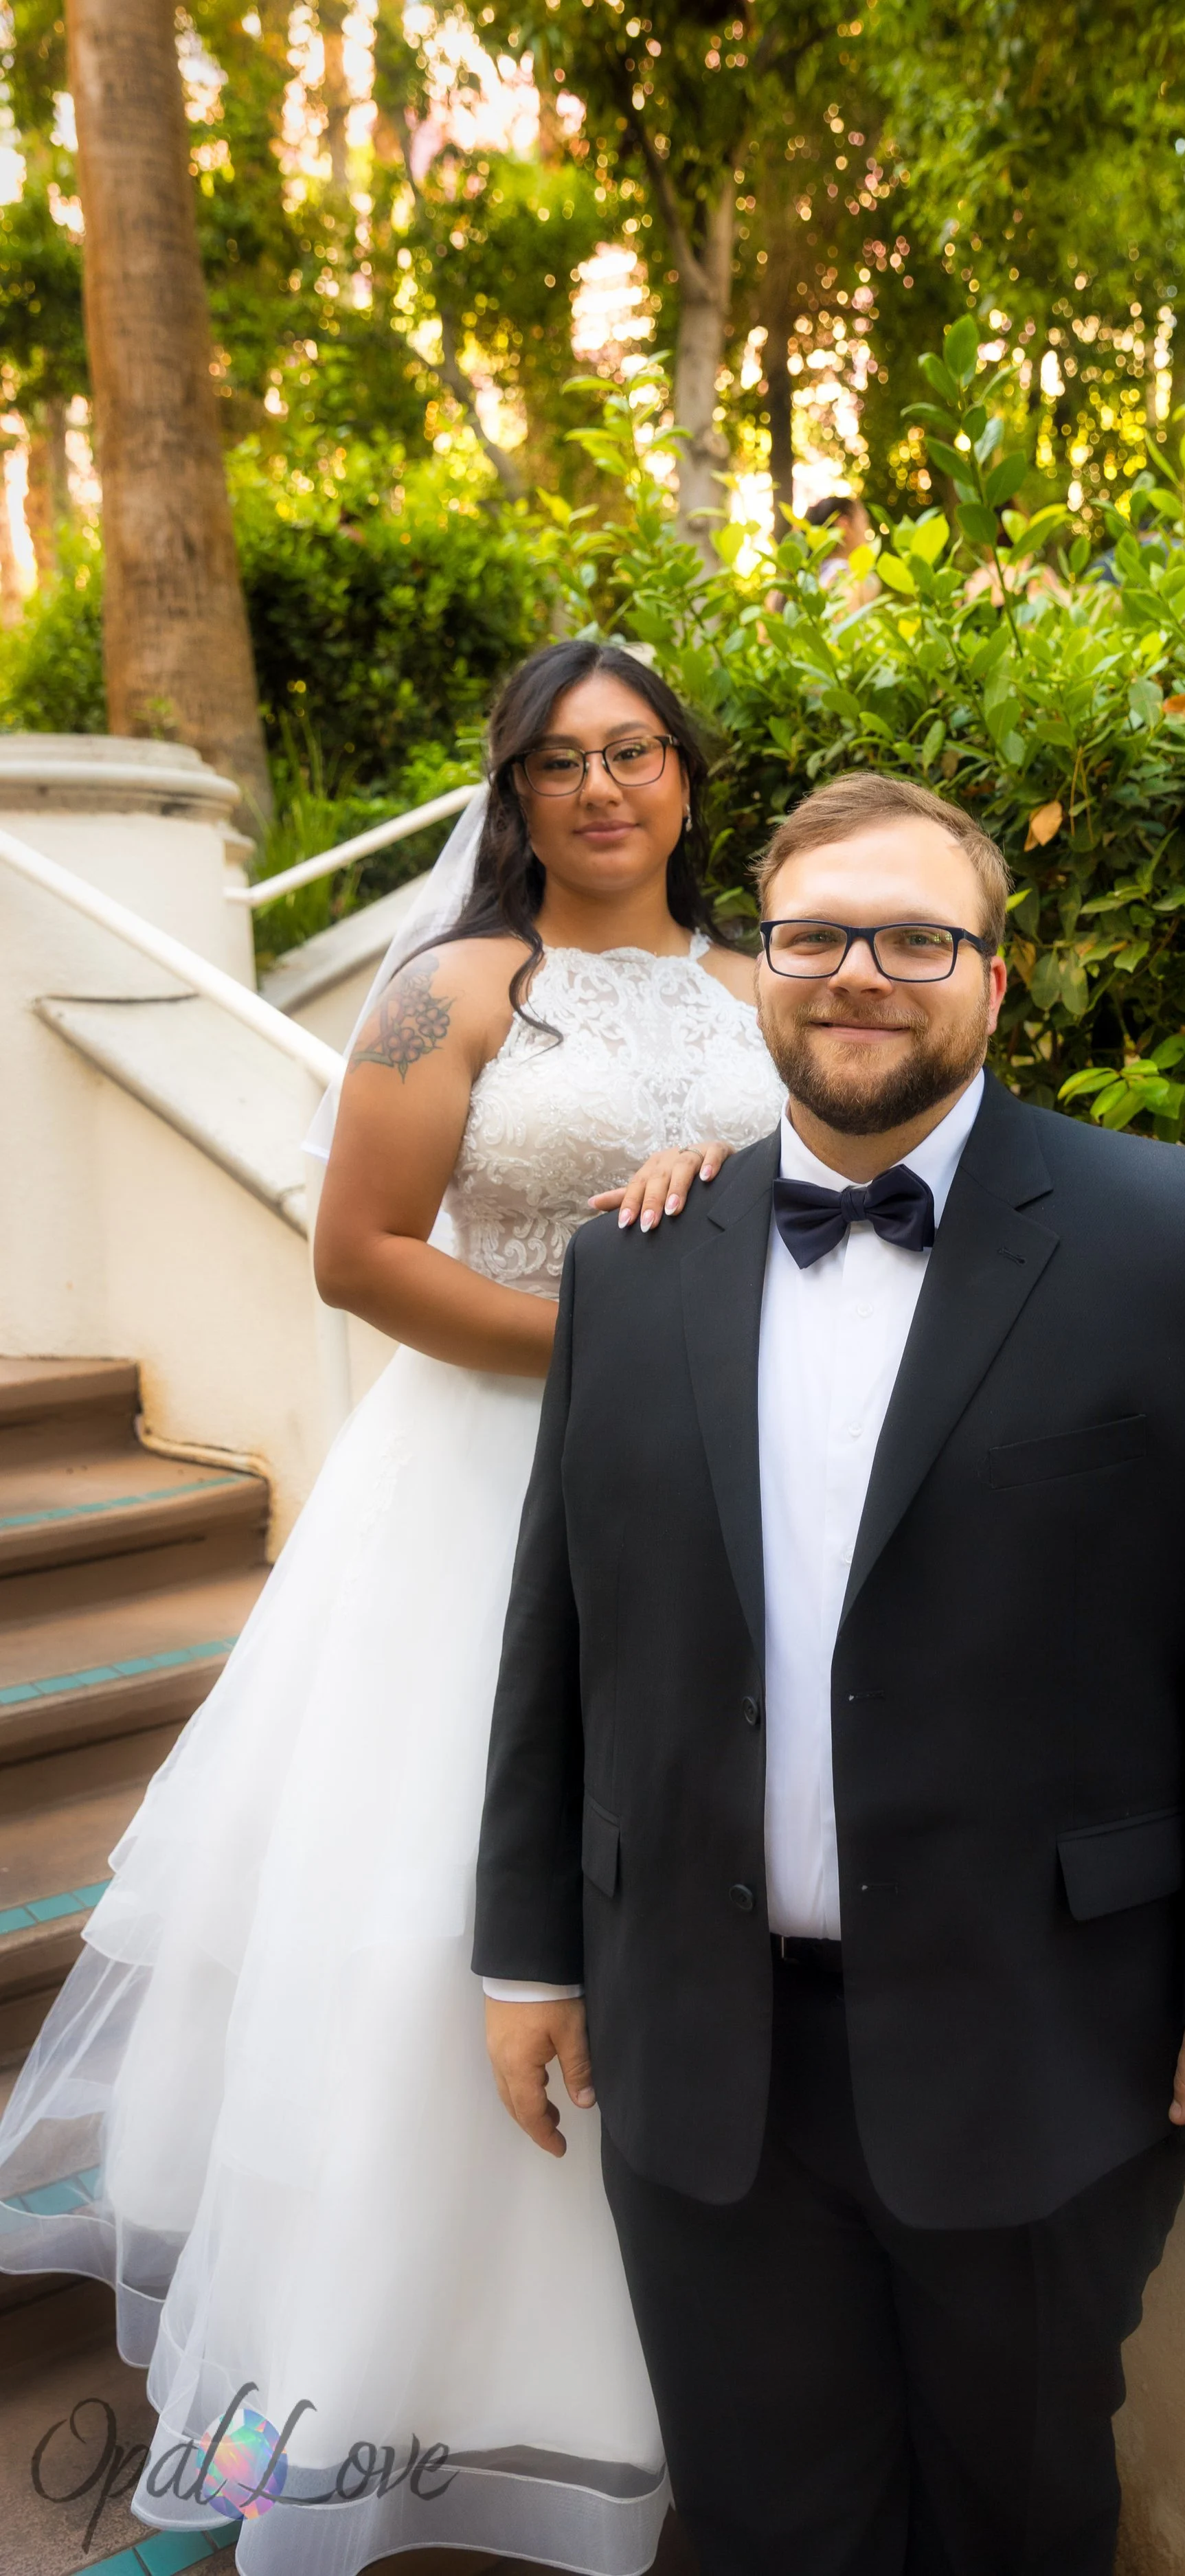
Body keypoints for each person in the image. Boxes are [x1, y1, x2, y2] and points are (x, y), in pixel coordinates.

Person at [476, 769, 1185, 2576]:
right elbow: (560, 1625)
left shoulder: (1181, 1238)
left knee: (1014, 2503)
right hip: (701, 2035)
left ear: (993, 975)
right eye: (811, 934)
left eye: (914, 935)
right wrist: (528, 1947)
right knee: (755, 2511)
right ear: (760, 969)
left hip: (1043, 2035)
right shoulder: (631, 1261)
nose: (857, 971)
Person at [0, 640, 785, 2575]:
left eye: (636, 753)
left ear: (688, 777)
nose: (602, 789)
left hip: (720, 1499)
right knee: (445, 1904)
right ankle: (385, 2373)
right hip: (482, 1493)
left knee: (677, 1889)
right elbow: (359, 1254)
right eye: (559, 762)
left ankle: (664, 2379)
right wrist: (613, 1345)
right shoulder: (451, 988)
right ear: (509, 795)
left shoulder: (768, 986)